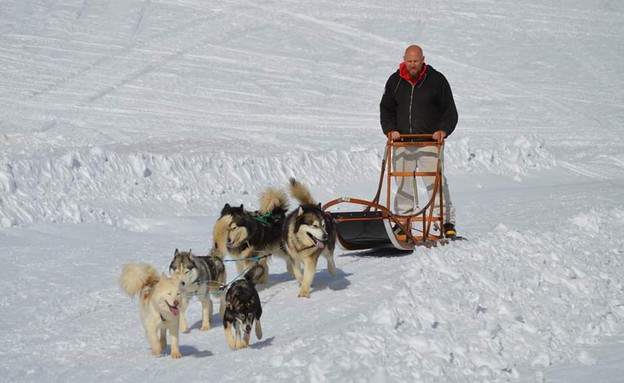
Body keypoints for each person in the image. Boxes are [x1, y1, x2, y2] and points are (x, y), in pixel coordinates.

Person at [379, 44, 459, 238]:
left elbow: (450, 111)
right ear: (404, 60)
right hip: (402, 143)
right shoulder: (395, 81)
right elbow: (386, 109)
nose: (412, 65)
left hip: (428, 142)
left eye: (415, 61)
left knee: (436, 183)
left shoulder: (437, 80)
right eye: (409, 61)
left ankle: (446, 221)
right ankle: (403, 221)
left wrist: (443, 130)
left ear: (423, 60)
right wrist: (390, 130)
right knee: (402, 182)